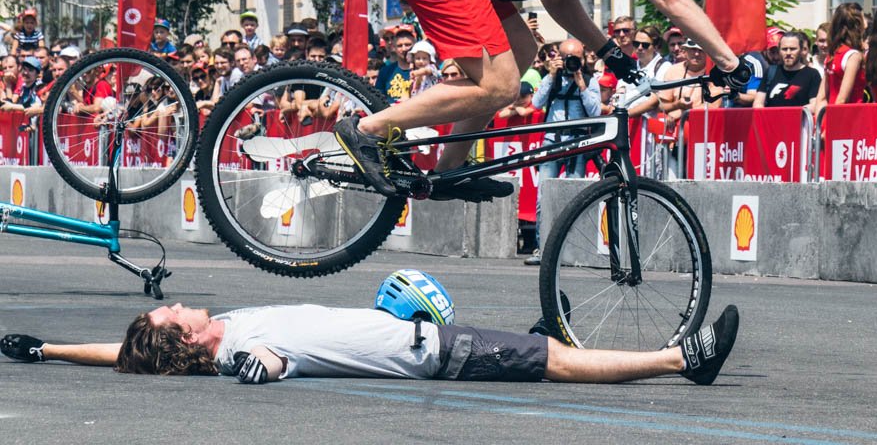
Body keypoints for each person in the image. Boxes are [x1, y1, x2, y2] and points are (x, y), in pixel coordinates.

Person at [333, 0, 750, 198]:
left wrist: (607, 50)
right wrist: (730, 62)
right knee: (500, 85)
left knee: (524, 49)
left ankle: (448, 173)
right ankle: (368, 129)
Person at [0, 302, 739, 387]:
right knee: (553, 364)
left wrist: (50, 348)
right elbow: (276, 362)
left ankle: (549, 337)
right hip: (431, 352)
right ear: (183, 336)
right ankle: (680, 359)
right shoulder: (229, 350)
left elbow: (125, 353)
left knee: (543, 348)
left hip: (430, 337)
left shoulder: (218, 323)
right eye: (166, 311)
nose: (170, 301)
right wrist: (265, 367)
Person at [527, 38, 602, 265]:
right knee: (544, 198)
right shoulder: (552, 78)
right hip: (552, 141)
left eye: (575, 59)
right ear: (557, 56)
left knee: (574, 198)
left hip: (577, 143)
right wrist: (550, 75)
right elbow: (536, 103)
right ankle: (542, 249)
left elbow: (595, 111)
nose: (571, 63)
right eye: (566, 58)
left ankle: (572, 251)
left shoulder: (589, 80)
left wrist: (581, 83)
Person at [812, 3, 866, 112]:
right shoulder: (853, 56)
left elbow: (821, 98)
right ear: (857, 24)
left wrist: (821, 125)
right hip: (850, 120)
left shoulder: (832, 55)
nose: (866, 23)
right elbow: (842, 99)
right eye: (863, 17)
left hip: (831, 118)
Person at [753, 31, 821, 107]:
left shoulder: (812, 74)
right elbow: (758, 102)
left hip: (799, 118)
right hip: (772, 118)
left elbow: (815, 104)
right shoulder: (771, 71)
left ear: (801, 50)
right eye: (784, 49)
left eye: (793, 49)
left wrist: (791, 113)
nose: (788, 53)